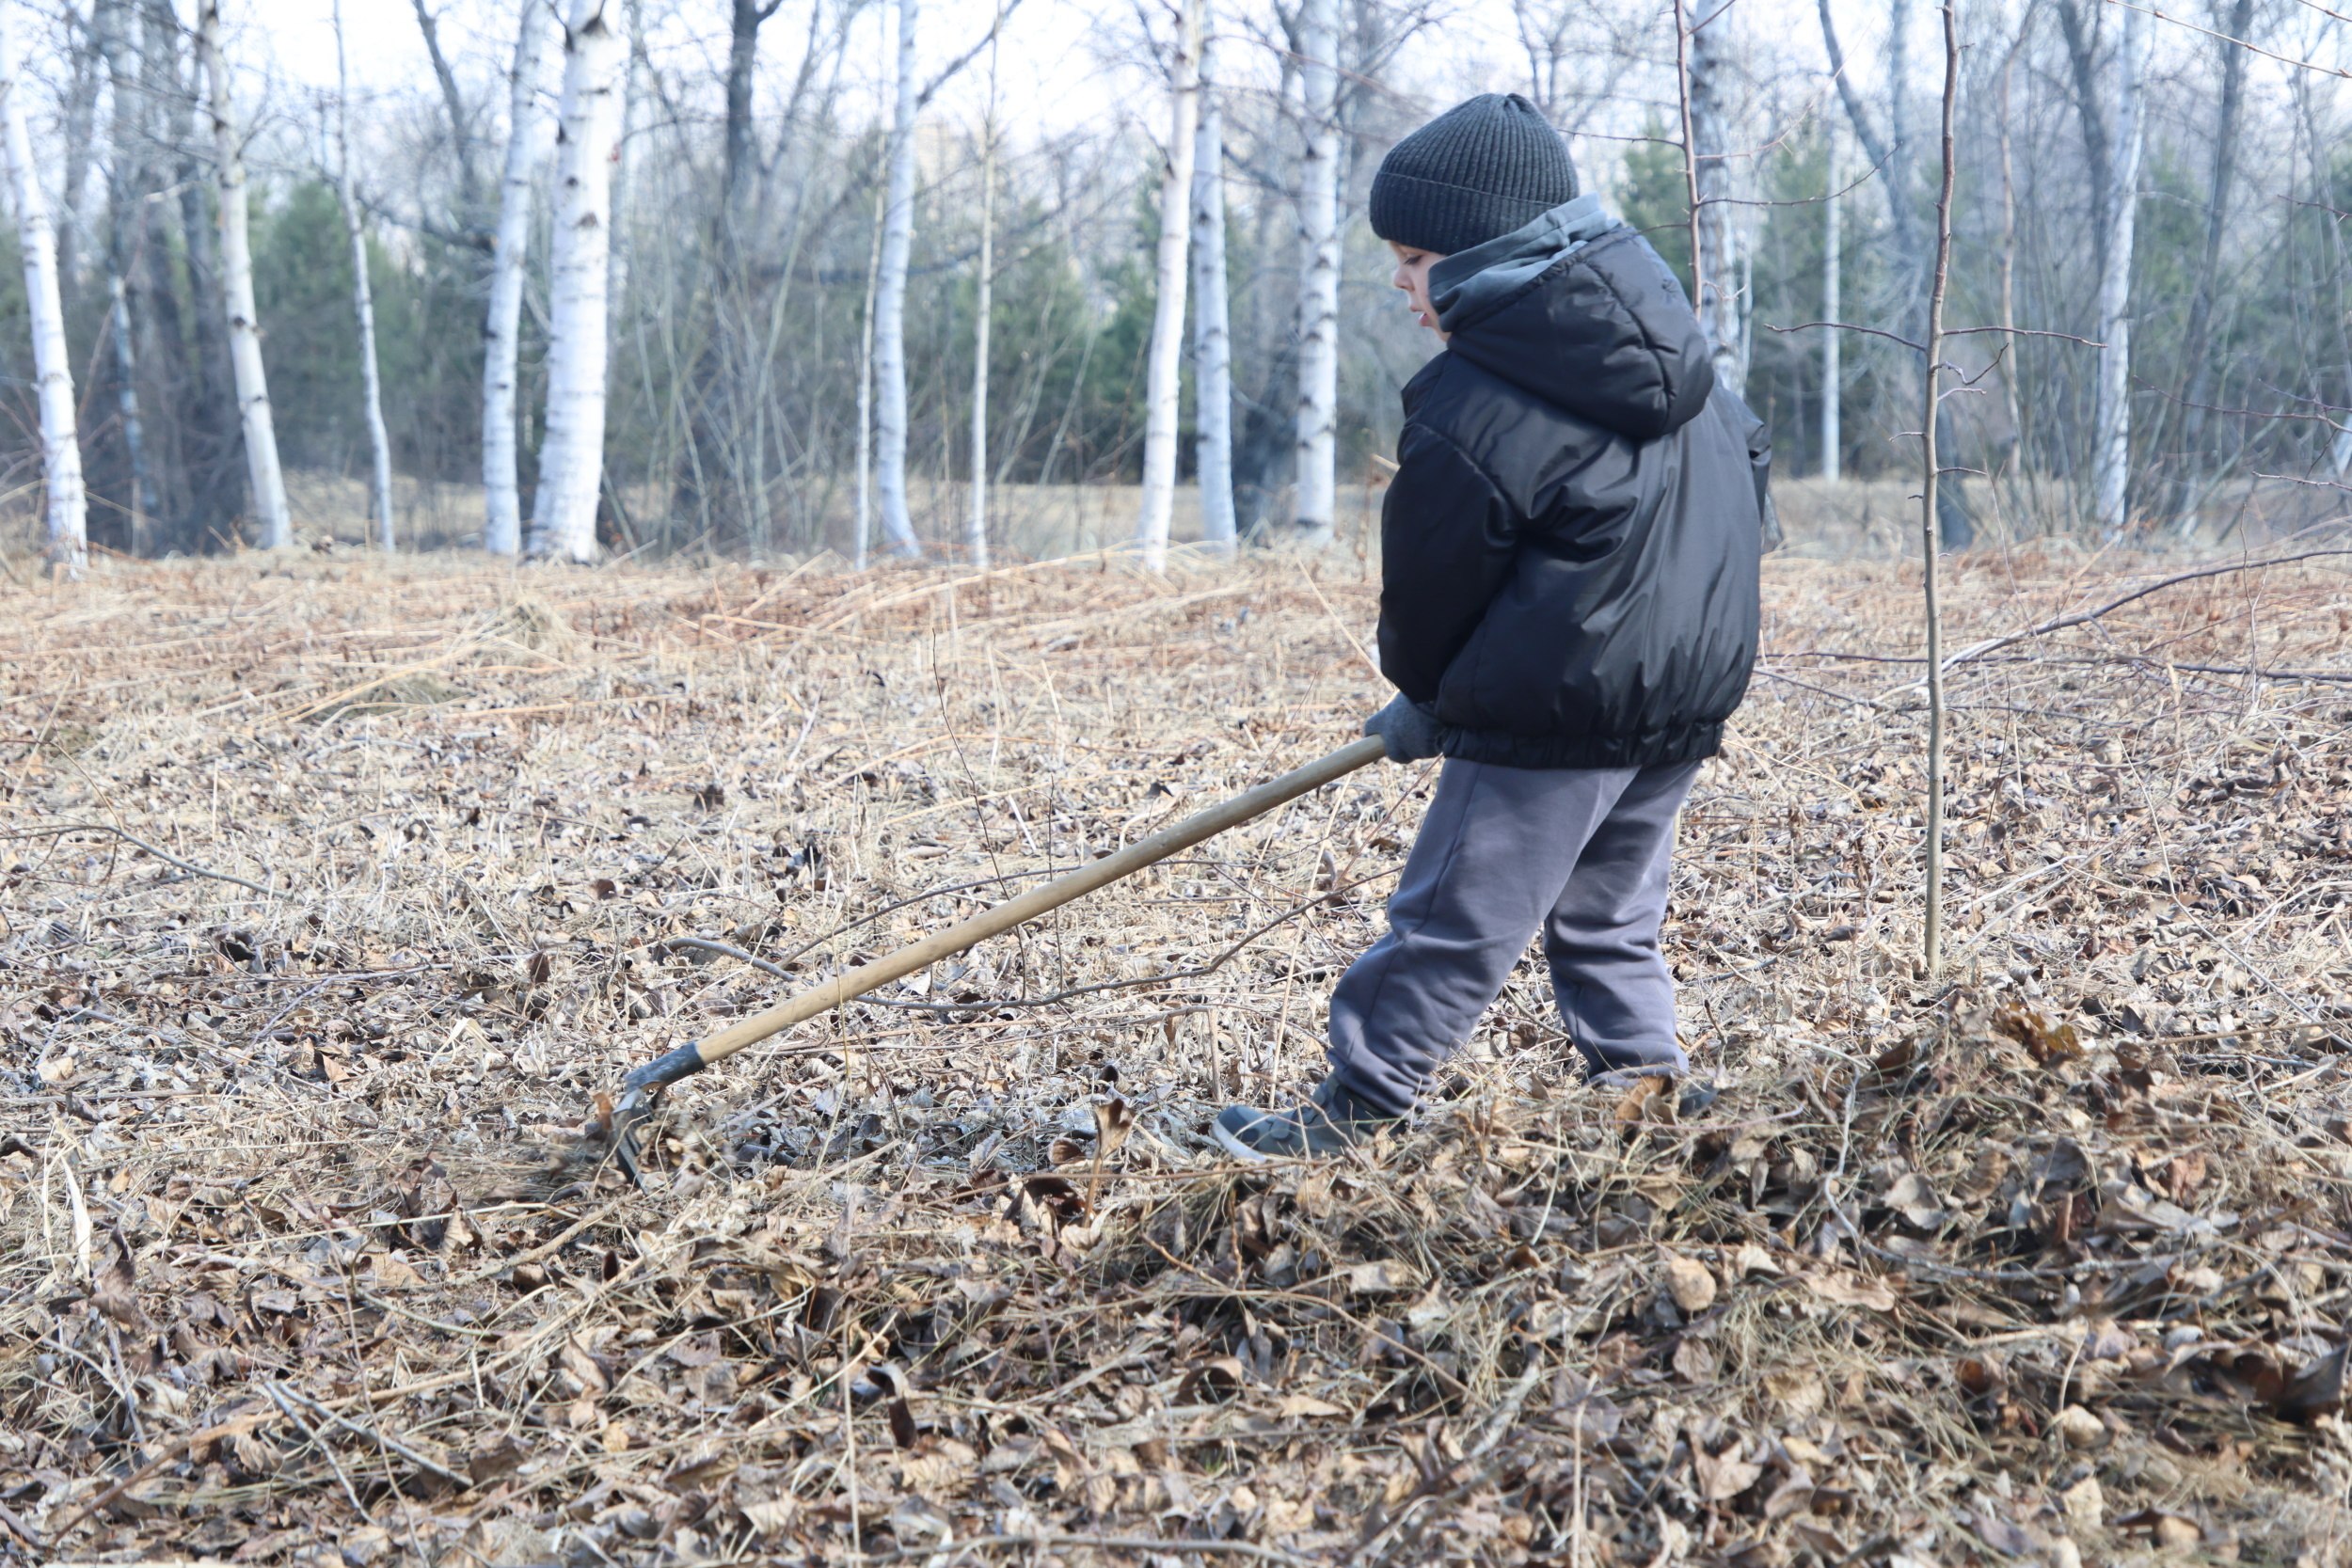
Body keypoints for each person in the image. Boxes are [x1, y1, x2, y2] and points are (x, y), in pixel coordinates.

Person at [1215, 92, 1776, 1161]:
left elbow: (1433, 576)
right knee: (1611, 912)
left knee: (1453, 913)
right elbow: (1749, 486)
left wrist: (1426, 690)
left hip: (1549, 703)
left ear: (1483, 257)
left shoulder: (1476, 396)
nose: (1400, 279)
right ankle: (1646, 1088)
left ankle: (1364, 1102)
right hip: (1680, 699)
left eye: (1415, 256)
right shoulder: (1681, 354)